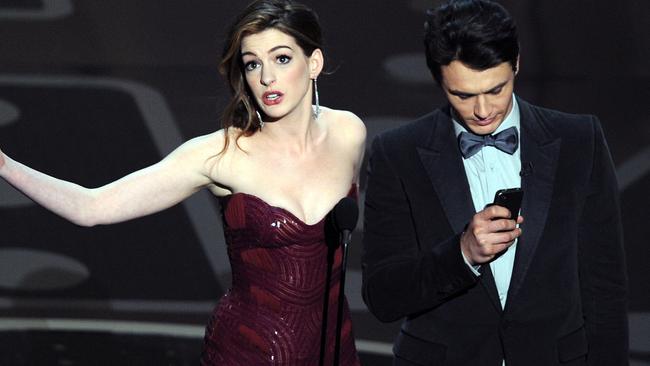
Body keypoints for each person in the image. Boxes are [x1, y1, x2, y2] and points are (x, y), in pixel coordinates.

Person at [0, 0, 365, 364]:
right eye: (253, 63)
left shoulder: (348, 133)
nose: (266, 77)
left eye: (281, 58)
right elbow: (90, 207)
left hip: (333, 352)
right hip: (247, 353)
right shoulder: (218, 154)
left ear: (313, 63)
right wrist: (4, 164)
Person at [361, 0, 628, 365]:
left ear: (516, 63)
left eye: (496, 89)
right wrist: (462, 254)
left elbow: (605, 288)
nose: (483, 111)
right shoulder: (397, 154)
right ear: (438, 78)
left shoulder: (580, 141)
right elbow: (383, 295)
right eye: (463, 95)